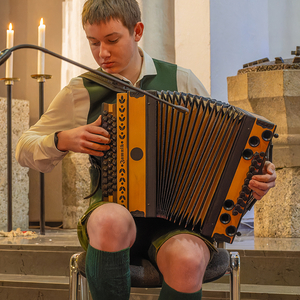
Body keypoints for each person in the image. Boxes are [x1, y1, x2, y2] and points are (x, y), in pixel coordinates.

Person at [16, 0, 277, 299]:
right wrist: (63, 139)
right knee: (110, 220)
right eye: (93, 42)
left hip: (180, 222)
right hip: (112, 221)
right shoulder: (82, 91)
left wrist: (256, 179)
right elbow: (25, 148)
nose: (102, 53)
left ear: (137, 31)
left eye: (112, 40)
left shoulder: (181, 80)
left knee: (188, 258)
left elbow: (229, 149)